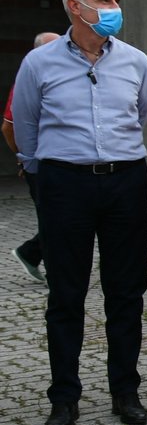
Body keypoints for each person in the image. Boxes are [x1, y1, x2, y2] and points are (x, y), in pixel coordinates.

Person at [12, 0, 147, 425]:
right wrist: (43, 172)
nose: (115, 6)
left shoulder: (135, 61)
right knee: (66, 294)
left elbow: (140, 114)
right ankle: (64, 398)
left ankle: (125, 391)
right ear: (76, 7)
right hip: (64, 182)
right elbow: (27, 126)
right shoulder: (39, 63)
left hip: (125, 180)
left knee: (126, 292)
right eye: (105, 0)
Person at [4, 31, 61, 284]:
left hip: (64, 163)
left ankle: (30, 252)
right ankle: (53, 271)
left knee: (66, 216)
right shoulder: (27, 80)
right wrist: (25, 158)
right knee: (52, 217)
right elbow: (8, 126)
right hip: (40, 163)